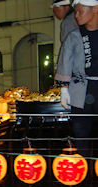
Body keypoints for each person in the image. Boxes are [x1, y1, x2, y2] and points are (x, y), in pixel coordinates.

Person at [55, 0, 98, 155]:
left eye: (80, 11)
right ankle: (84, 165)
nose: (77, 16)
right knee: (81, 131)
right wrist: (64, 89)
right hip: (81, 88)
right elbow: (65, 61)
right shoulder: (74, 36)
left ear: (95, 9)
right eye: (76, 12)